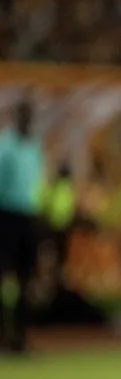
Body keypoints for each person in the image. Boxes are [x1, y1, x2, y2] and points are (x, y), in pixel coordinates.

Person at [0, 98, 45, 354]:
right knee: (5, 278)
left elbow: (35, 184)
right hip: (6, 215)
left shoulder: (35, 146)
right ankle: (5, 333)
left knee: (26, 279)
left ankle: (21, 336)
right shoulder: (6, 146)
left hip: (28, 216)